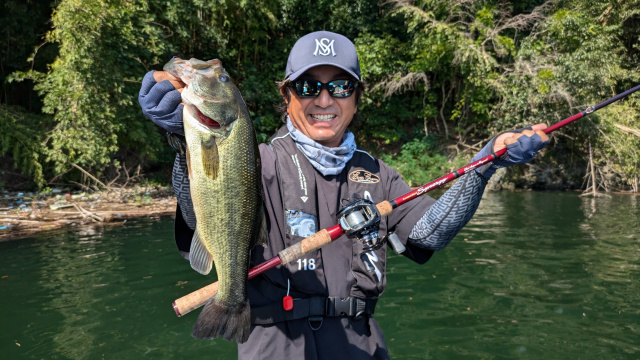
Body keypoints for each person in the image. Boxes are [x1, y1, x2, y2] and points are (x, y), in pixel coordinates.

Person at [139, 31, 549, 359]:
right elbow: (199, 214)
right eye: (307, 85)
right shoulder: (255, 159)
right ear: (286, 95)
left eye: (339, 86)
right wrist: (181, 140)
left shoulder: (378, 174)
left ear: (356, 98)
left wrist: (483, 166)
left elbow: (430, 233)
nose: (323, 99)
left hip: (361, 345)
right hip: (275, 346)